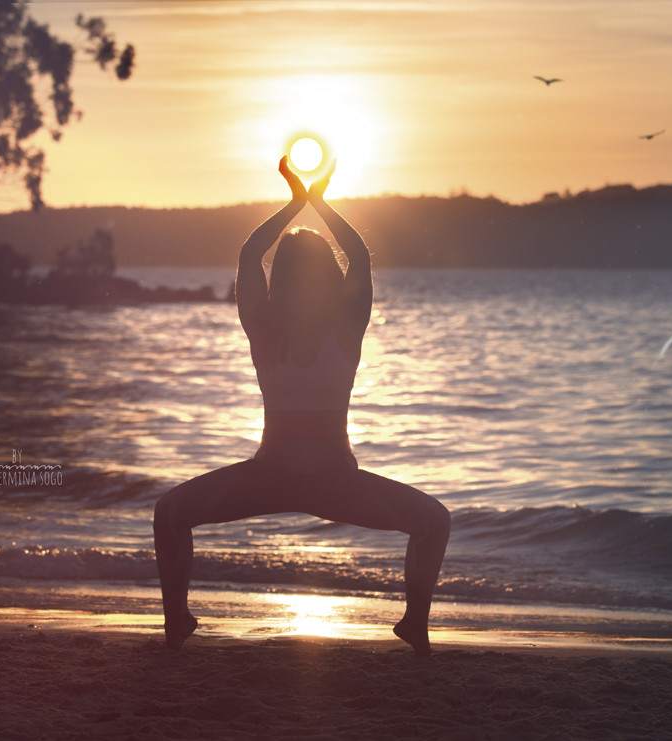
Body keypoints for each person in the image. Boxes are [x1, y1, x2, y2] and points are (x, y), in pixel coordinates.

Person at [153, 156, 451, 655]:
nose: (307, 285)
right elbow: (250, 257)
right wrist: (294, 203)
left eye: (316, 275)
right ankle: (176, 621)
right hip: (268, 476)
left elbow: (360, 258)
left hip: (338, 481)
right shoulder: (264, 332)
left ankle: (413, 623)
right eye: (295, 276)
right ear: (283, 283)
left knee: (435, 521)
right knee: (169, 512)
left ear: (331, 281)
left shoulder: (347, 329)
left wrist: (322, 204)